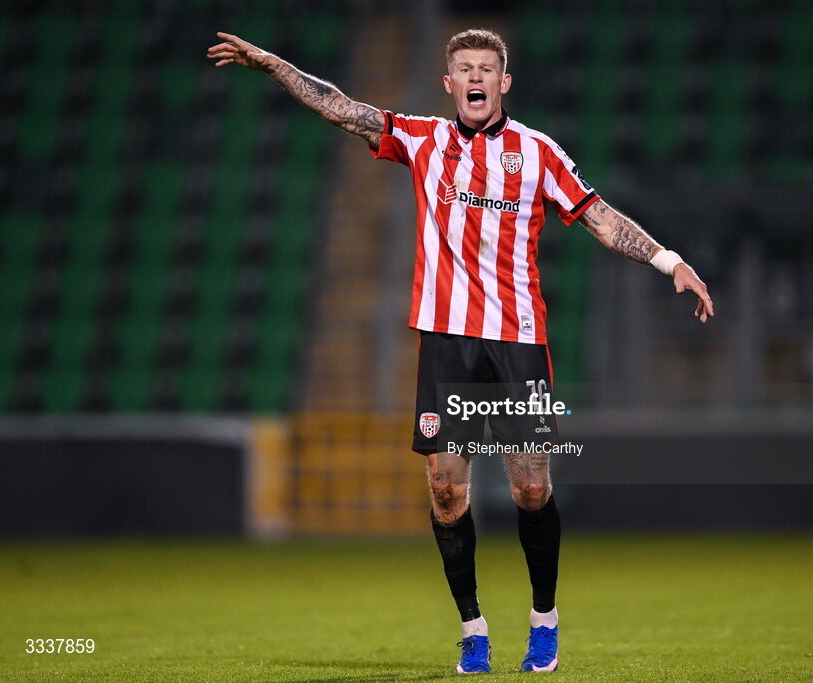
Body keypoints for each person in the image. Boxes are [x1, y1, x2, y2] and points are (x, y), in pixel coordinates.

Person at [208, 27, 714, 674]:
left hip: (518, 341)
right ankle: (473, 629)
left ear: (505, 82)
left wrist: (669, 260)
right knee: (446, 490)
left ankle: (544, 618)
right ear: (449, 84)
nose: (476, 77)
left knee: (531, 487)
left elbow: (598, 216)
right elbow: (342, 108)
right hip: (446, 340)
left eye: (486, 68)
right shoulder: (423, 140)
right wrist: (272, 64)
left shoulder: (537, 152)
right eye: (465, 68)